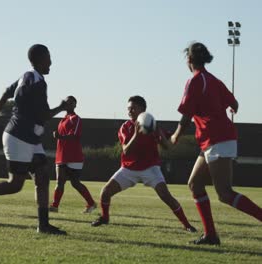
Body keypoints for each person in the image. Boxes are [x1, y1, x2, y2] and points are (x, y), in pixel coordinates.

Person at [0, 44, 68, 235]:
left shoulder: (26, 76)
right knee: (15, 184)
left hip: (30, 138)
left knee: (42, 177)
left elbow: (5, 92)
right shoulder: (37, 82)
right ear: (39, 60)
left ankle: (43, 225)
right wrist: (62, 106)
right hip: (19, 137)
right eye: (48, 58)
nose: (51, 62)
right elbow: (43, 114)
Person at [171, 42, 262, 245]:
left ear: (189, 60)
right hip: (213, 139)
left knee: (225, 193)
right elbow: (234, 103)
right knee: (195, 184)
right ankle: (210, 235)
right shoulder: (213, 80)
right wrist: (229, 108)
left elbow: (186, 114)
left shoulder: (195, 81)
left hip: (218, 138)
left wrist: (176, 135)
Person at [91, 96, 196, 234]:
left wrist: (160, 135)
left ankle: (187, 224)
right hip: (129, 168)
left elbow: (166, 146)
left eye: (133, 108)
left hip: (150, 168)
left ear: (143, 109)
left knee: (166, 196)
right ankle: (105, 217)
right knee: (105, 193)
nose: (130, 111)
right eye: (128, 109)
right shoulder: (125, 127)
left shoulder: (152, 124)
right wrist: (136, 134)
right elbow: (126, 150)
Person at [49, 96, 96, 213]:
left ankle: (91, 203)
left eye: (71, 103)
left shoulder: (76, 118)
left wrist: (59, 136)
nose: (68, 104)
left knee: (75, 183)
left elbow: (74, 136)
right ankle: (54, 206)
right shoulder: (63, 119)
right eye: (66, 102)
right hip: (61, 155)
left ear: (75, 105)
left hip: (74, 156)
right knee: (60, 181)